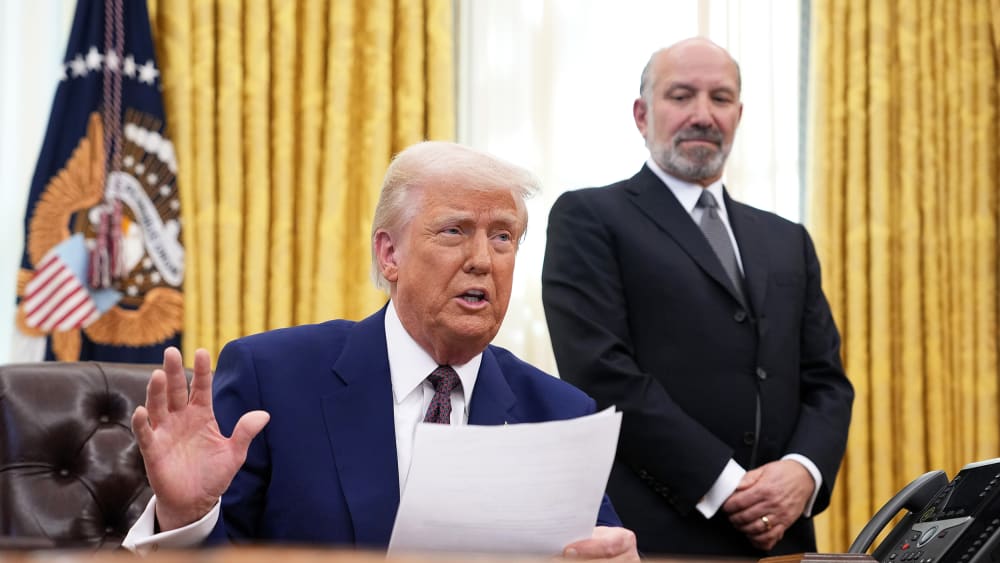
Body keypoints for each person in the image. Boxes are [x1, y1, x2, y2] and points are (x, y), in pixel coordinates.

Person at [121, 141, 639, 561]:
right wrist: (184, 516)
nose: (482, 259)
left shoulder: (559, 413)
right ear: (389, 253)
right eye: (455, 231)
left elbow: (599, 547)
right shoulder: (273, 378)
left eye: (503, 237)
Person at [540, 38, 854, 557]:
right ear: (642, 115)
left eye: (721, 98)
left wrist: (803, 472)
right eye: (681, 96)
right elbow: (601, 373)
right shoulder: (588, 218)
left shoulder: (787, 238)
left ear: (739, 114)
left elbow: (826, 383)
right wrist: (726, 484)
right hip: (658, 535)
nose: (703, 114)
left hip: (783, 537)